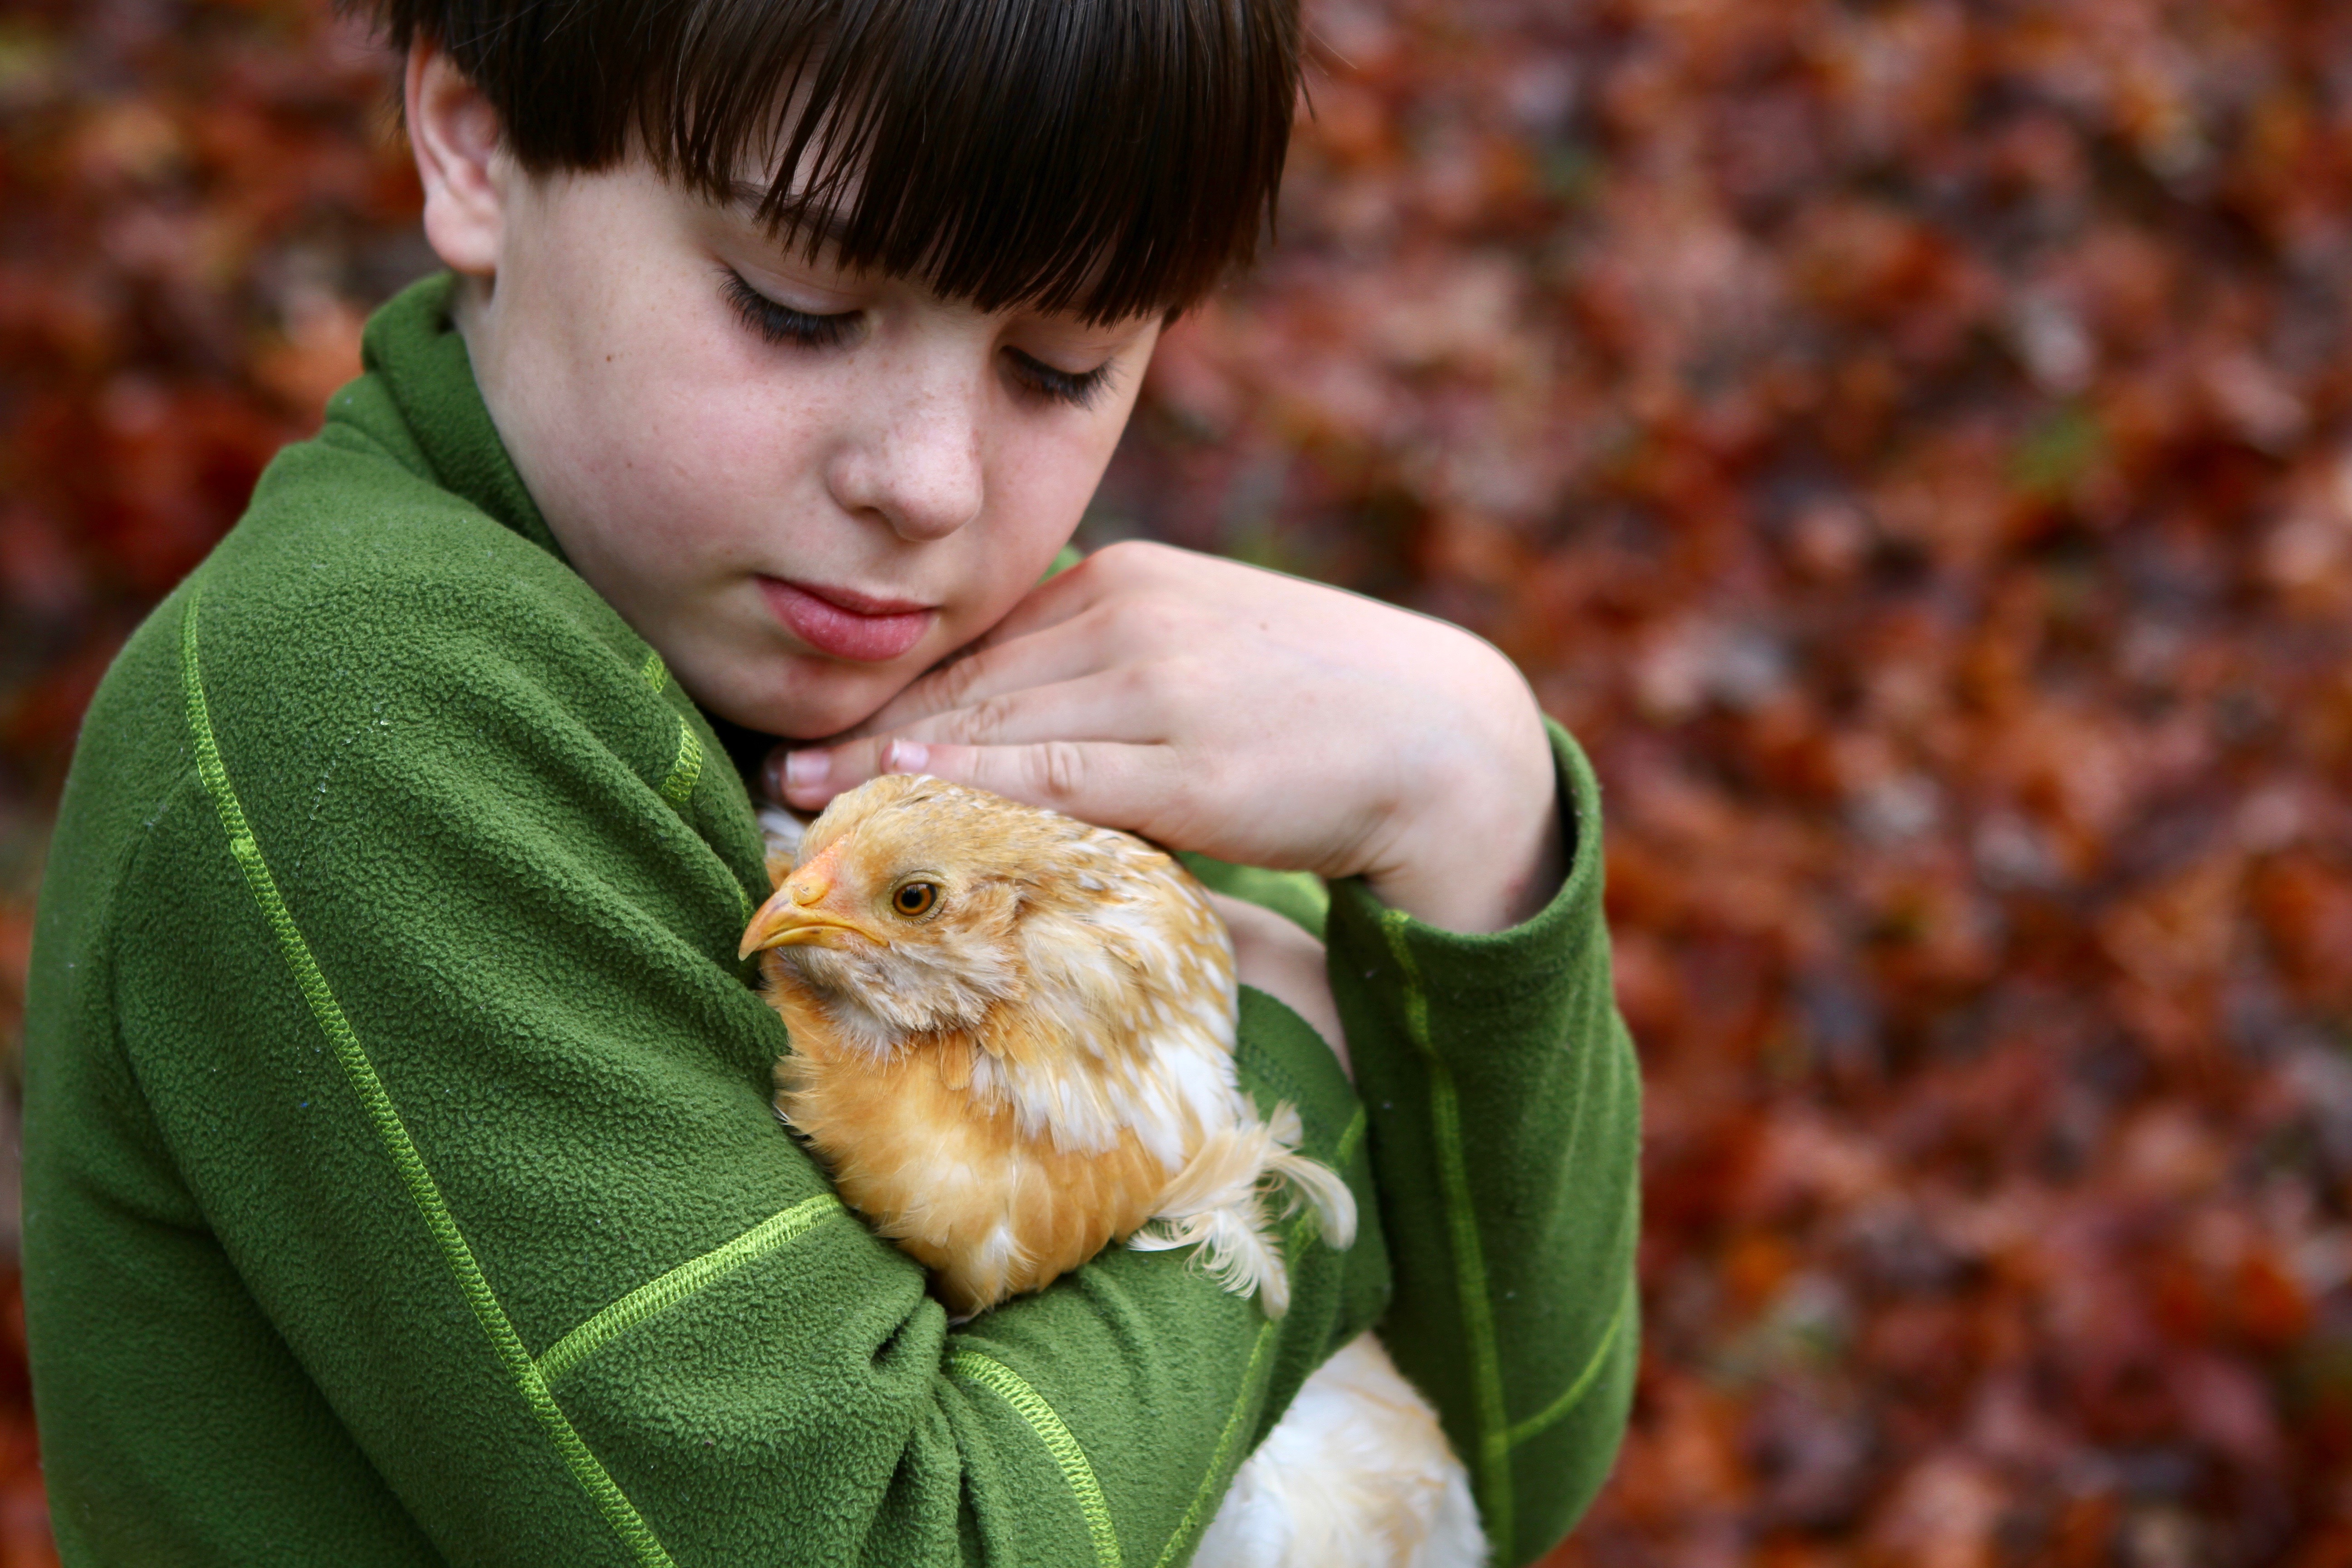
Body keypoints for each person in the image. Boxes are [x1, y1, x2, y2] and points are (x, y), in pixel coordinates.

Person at [20, 0, 1641, 1561]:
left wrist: (1473, 806)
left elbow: (1497, 1463)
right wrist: (1280, 1086)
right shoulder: (356, 701)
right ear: (474, 142)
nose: (927, 485)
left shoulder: (1014, 678)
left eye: (1059, 365)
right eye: (795, 307)